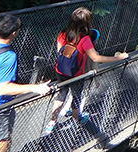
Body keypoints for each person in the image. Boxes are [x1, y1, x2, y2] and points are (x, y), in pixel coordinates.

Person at [0, 15, 51, 152]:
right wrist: (35, 87)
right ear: (14, 33)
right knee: (2, 137)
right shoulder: (8, 56)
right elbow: (3, 88)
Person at [45, 7, 128, 135]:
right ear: (86, 23)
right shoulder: (84, 39)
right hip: (76, 74)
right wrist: (118, 58)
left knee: (61, 95)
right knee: (76, 97)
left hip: (60, 72)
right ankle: (77, 118)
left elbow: (59, 52)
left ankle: (51, 122)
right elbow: (96, 57)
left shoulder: (63, 33)